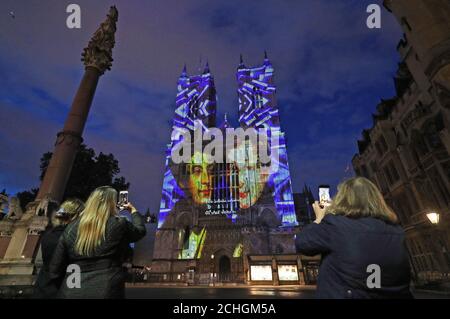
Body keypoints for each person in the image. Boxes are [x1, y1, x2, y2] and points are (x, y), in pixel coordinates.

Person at [295, 177, 413, 299]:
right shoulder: (397, 232)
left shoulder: (337, 226)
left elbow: (302, 243)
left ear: (342, 199)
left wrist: (319, 219)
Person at [48, 186, 146, 299]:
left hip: (70, 289)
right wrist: (133, 211)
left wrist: (69, 286)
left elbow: (55, 270)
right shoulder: (119, 224)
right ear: (112, 203)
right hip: (107, 288)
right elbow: (140, 231)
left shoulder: (71, 228)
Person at [33, 198, 85, 299]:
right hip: (59, 292)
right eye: (83, 216)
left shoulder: (50, 234)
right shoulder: (70, 239)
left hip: (43, 288)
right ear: (75, 217)